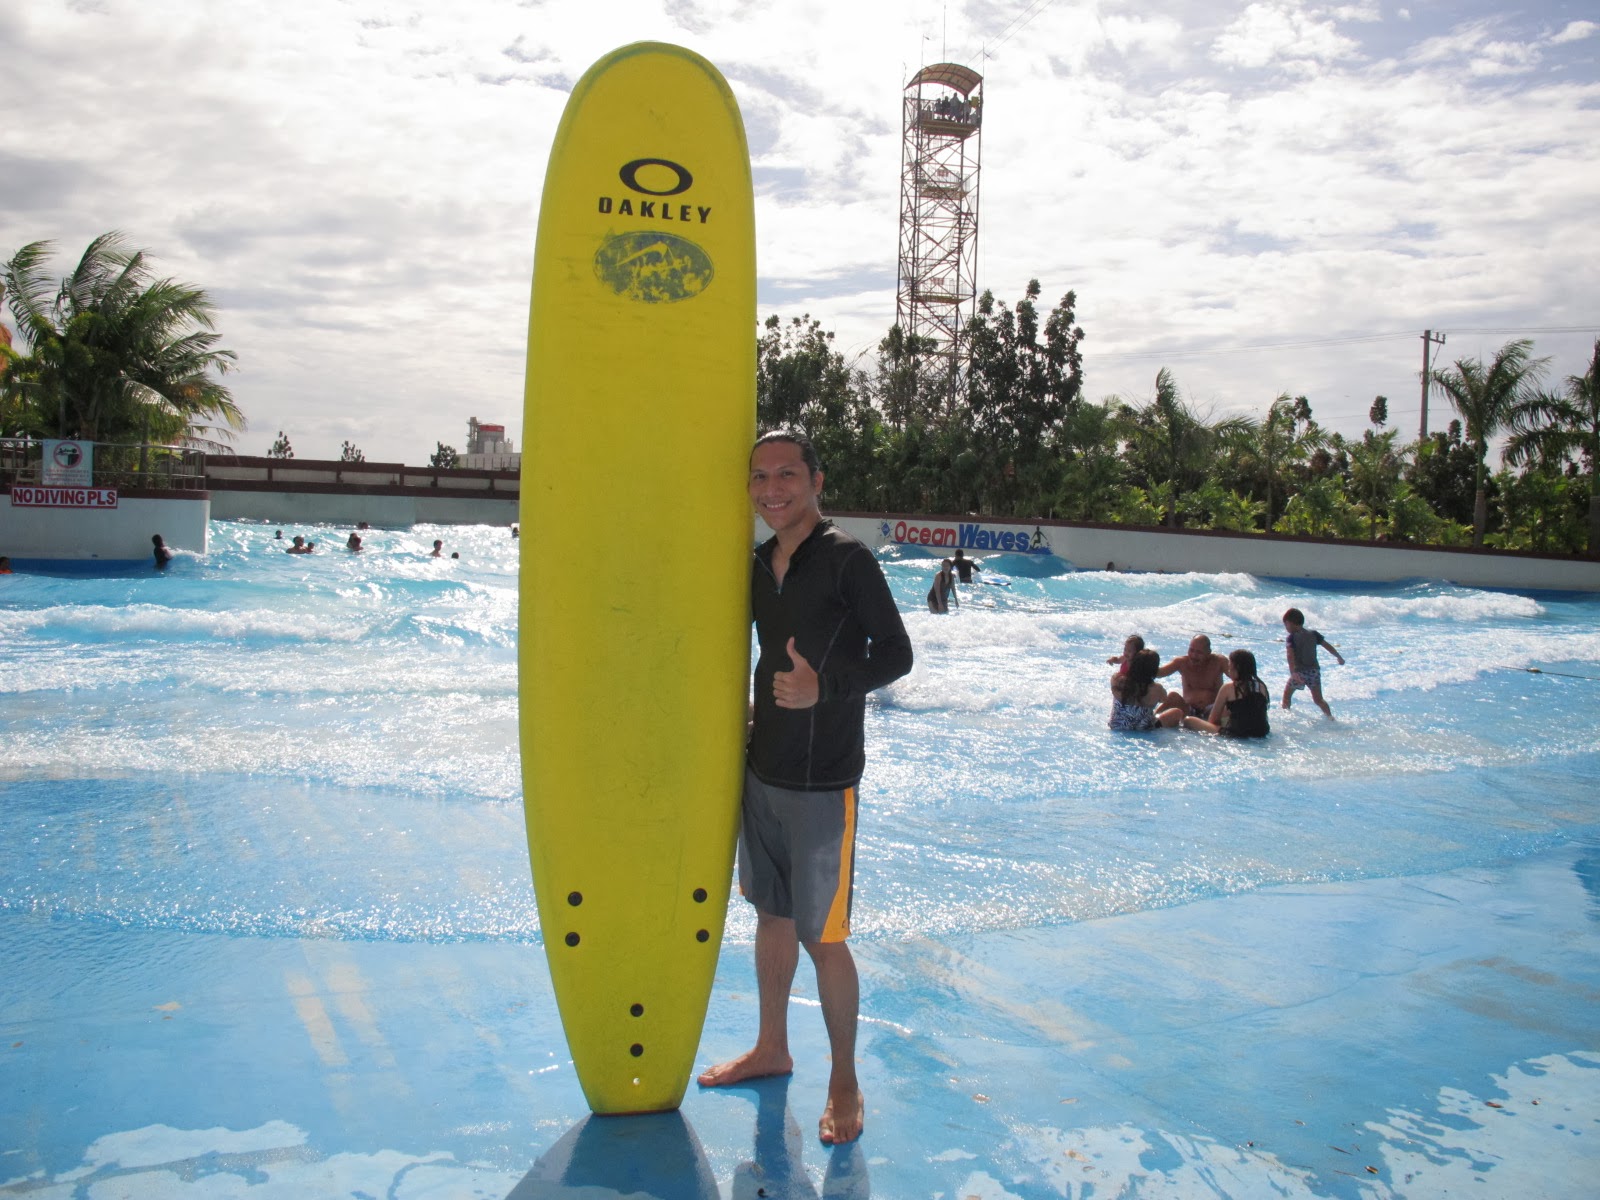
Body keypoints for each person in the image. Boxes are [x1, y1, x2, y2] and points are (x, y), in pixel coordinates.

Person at [698, 429, 913, 1147]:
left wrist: (828, 686)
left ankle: (845, 1081)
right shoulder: (758, 564)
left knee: (826, 938)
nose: (771, 489)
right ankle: (771, 1047)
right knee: (771, 917)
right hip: (763, 769)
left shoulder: (850, 560)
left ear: (816, 480)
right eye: (758, 477)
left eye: (786, 474)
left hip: (825, 783)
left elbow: (899, 654)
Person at [1182, 649, 1271, 738]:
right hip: (1262, 732)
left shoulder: (1228, 688)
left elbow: (1212, 720)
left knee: (1189, 721)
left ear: (1237, 668)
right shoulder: (1261, 686)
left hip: (1236, 733)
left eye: (1230, 667)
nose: (1228, 670)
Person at [1282, 607, 1345, 718]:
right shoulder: (1314, 634)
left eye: (1286, 624)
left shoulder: (1291, 638)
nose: (1286, 628)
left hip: (1299, 673)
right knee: (1319, 700)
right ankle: (1330, 718)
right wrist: (1338, 656)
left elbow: (1290, 656)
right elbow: (1327, 646)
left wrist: (1293, 673)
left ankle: (1286, 717)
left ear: (1290, 623)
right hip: (1314, 672)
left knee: (1287, 696)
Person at [1154, 635, 1229, 717]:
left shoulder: (1219, 662)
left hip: (1213, 710)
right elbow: (1159, 673)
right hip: (1188, 709)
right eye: (1191, 650)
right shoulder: (1181, 663)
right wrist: (1143, 660)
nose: (1194, 655)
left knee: (1227, 707)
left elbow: (1239, 677)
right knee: (1172, 697)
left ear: (1208, 652)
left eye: (1199, 652)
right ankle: (1152, 719)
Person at [1109, 648, 1183, 731]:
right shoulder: (1157, 689)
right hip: (1144, 729)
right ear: (1154, 670)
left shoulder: (1116, 680)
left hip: (1117, 726)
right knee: (1177, 712)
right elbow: (1164, 699)